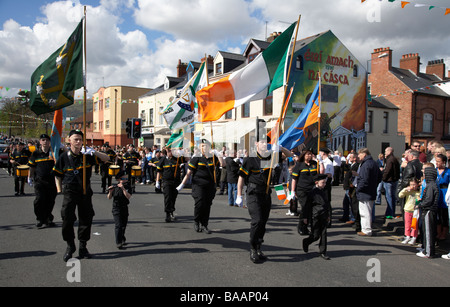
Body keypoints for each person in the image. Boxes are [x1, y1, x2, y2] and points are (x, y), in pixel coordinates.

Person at [53, 130, 109, 262]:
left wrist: (93, 151)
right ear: (69, 140)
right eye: (75, 139)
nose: (78, 142)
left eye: (80, 139)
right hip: (70, 191)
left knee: (86, 218)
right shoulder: (64, 157)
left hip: (84, 191)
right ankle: (70, 245)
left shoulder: (87, 155)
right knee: (67, 218)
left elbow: (106, 158)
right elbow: (57, 175)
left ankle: (83, 246)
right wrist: (59, 189)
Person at [236, 136, 292, 263]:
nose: (264, 144)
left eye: (266, 142)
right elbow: (241, 178)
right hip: (253, 193)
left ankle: (259, 247)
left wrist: (280, 148)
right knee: (257, 220)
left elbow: (290, 155)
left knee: (263, 222)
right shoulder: (250, 158)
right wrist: (239, 196)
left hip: (266, 193)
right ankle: (252, 248)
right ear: (256, 143)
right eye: (261, 142)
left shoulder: (271, 156)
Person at [177, 139, 222, 234]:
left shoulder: (212, 158)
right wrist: (182, 184)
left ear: (209, 147)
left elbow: (223, 164)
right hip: (198, 184)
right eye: (201, 146)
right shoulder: (196, 158)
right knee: (200, 202)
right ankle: (197, 221)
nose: (203, 148)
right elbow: (189, 173)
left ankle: (204, 224)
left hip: (210, 185)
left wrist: (219, 155)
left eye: (205, 146)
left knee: (207, 205)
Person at [28, 134, 58, 228]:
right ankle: (40, 218)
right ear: (40, 142)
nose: (45, 142)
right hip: (39, 181)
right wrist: (29, 177)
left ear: (50, 142)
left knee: (50, 201)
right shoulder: (36, 154)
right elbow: (32, 167)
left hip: (52, 182)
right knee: (39, 200)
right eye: (43, 140)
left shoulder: (54, 153)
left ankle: (48, 218)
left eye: (47, 140)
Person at [302, 173, 332, 260]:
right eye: (323, 182)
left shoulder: (324, 191)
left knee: (324, 234)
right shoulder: (312, 193)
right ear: (316, 183)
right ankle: (306, 241)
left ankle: (322, 252)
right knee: (315, 235)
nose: (324, 184)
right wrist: (305, 217)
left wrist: (328, 215)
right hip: (315, 216)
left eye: (325, 182)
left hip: (324, 216)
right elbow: (307, 206)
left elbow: (327, 205)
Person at [355, 148, 382, 236]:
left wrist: (358, 188)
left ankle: (366, 230)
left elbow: (364, 179)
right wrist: (374, 185)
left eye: (359, 154)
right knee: (368, 211)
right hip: (371, 190)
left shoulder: (366, 164)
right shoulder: (373, 163)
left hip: (365, 192)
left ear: (364, 154)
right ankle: (366, 229)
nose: (358, 156)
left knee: (364, 212)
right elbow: (379, 176)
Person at [291, 149, 318, 235]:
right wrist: (292, 191)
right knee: (304, 207)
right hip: (302, 189)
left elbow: (318, 174)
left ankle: (306, 227)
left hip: (312, 189)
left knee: (310, 208)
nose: (309, 156)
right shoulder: (299, 165)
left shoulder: (314, 164)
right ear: (303, 155)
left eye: (311, 154)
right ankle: (301, 226)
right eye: (307, 154)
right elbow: (294, 179)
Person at [156, 148, 184, 222]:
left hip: (176, 181)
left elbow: (187, 159)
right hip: (166, 181)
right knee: (168, 197)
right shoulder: (163, 160)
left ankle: (171, 211)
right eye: (169, 151)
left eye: (172, 151)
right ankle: (167, 214)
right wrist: (157, 181)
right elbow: (159, 171)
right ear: (166, 152)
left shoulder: (177, 159)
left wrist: (182, 151)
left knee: (173, 197)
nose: (170, 153)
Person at [416, 167, 438, 258]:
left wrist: (420, 205)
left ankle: (428, 252)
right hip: (430, 210)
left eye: (425, 173)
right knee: (428, 231)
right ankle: (427, 250)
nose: (424, 175)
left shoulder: (430, 186)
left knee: (428, 232)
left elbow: (428, 200)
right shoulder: (432, 185)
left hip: (429, 210)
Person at [107, 170, 132, 249]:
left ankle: (122, 238)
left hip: (124, 207)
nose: (125, 179)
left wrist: (123, 189)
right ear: (119, 179)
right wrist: (110, 192)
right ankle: (118, 242)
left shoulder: (128, 187)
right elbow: (109, 198)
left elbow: (128, 196)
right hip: (116, 208)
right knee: (118, 225)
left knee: (123, 225)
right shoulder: (115, 187)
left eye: (126, 178)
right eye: (123, 178)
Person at [398, 178, 420, 245]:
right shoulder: (408, 191)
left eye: (414, 184)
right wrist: (405, 189)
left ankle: (413, 237)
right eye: (411, 185)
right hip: (408, 209)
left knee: (414, 225)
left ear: (417, 185)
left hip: (415, 211)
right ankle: (407, 236)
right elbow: (400, 195)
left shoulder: (418, 192)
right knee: (407, 224)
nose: (412, 186)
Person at [382, 147, 400, 219]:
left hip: (389, 181)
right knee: (392, 197)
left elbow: (387, 170)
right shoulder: (394, 159)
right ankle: (390, 213)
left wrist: (383, 178)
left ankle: (390, 213)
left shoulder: (390, 160)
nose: (385, 153)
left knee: (389, 197)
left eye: (385, 151)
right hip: (394, 180)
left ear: (389, 151)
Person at [435, 154, 450, 241]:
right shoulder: (434, 171)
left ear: (444, 162)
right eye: (436, 161)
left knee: (444, 215)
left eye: (438, 161)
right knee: (437, 215)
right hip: (437, 193)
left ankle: (444, 234)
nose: (437, 163)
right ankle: (438, 233)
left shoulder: (448, 171)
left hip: (445, 193)